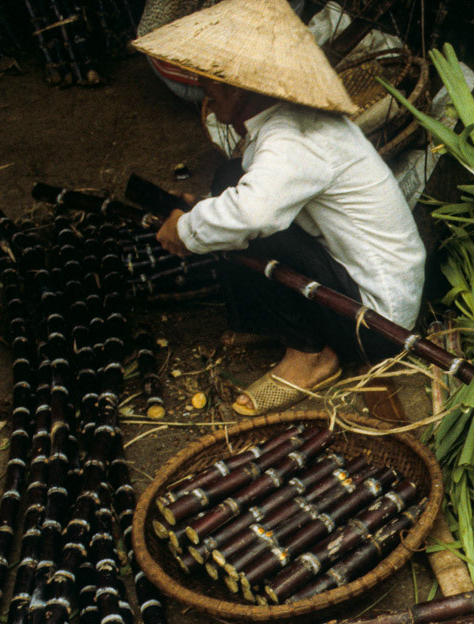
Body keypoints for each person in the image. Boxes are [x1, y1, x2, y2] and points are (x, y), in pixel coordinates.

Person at [133, 0, 426, 416]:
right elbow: (245, 195)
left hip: (374, 322)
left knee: (257, 226)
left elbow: (255, 214)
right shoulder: (279, 123)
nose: (204, 89)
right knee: (229, 180)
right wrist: (202, 211)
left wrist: (185, 231)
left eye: (211, 80)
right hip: (349, 283)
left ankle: (312, 355)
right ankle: (267, 321)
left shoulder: (293, 135)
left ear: (237, 84)